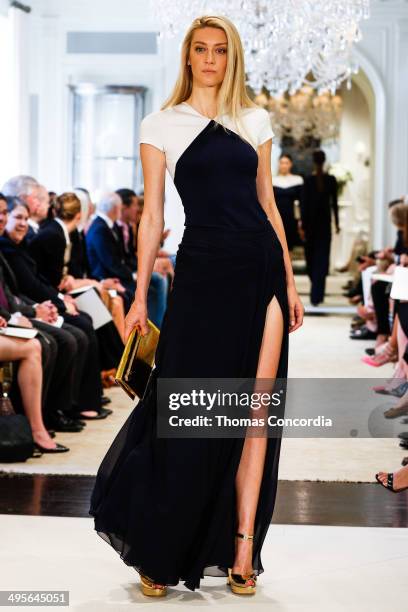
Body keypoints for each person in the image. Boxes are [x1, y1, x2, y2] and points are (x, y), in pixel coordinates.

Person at [89, 15, 304, 597]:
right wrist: (137, 297)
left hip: (259, 270)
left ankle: (242, 547)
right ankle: (160, 547)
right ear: (188, 57)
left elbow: (268, 203)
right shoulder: (161, 123)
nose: (211, 59)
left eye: (221, 50)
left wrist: (289, 281)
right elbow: (154, 217)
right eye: (201, 50)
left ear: (232, 58)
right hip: (204, 272)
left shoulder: (254, 119)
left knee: (256, 416)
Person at [300, 149, 340, 306]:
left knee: (312, 260)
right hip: (324, 226)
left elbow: (304, 205)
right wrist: (336, 223)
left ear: (313, 161)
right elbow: (334, 204)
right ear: (324, 161)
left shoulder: (309, 180)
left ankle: (316, 293)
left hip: (311, 226)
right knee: (321, 260)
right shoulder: (330, 180)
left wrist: (302, 225)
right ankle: (318, 292)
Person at [273, 153, 304, 251]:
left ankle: (288, 265)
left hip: (291, 217)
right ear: (278, 164)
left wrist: (300, 220)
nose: (284, 165)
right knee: (276, 244)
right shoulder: (273, 180)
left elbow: (301, 202)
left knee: (289, 244)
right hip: (276, 216)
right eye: (282, 162)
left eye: (286, 163)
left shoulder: (297, 180)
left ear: (290, 164)